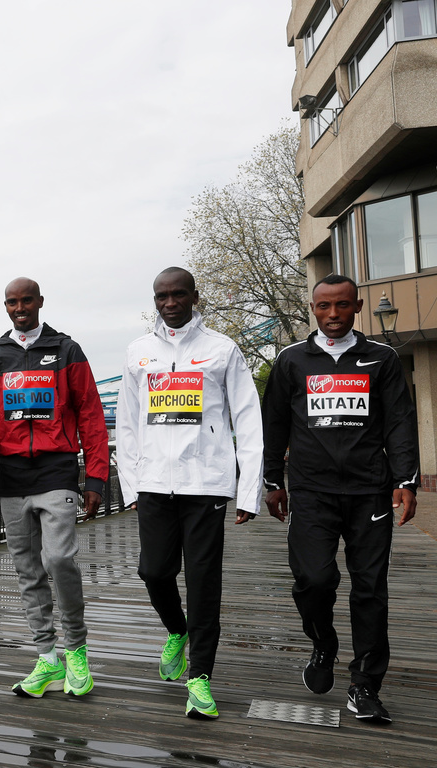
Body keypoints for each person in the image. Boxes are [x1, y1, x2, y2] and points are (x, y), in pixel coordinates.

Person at [262, 274, 418, 724]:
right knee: (313, 580)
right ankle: (323, 642)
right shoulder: (292, 360)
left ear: (357, 306)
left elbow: (399, 422)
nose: (333, 314)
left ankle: (364, 685)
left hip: (370, 492)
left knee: (370, 589)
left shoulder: (382, 358)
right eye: (324, 306)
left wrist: (406, 480)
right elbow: (274, 424)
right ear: (312, 308)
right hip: (311, 491)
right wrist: (272, 481)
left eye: (343, 305)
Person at [114, 266, 263, 720]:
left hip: (206, 484)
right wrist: (131, 485)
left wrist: (248, 491)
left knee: (203, 583)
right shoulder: (139, 352)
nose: (170, 303)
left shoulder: (222, 349)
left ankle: (200, 677)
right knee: (153, 571)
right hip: (154, 484)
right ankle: (177, 630)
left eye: (179, 294)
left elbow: (248, 418)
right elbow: (127, 423)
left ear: (195, 297)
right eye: (162, 296)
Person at [0, 277, 108, 699]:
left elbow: (90, 414)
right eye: (12, 302)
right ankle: (47, 657)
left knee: (60, 559)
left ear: (40, 302)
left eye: (26, 300)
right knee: (28, 571)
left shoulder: (66, 351)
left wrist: (96, 476)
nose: (20, 308)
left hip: (56, 471)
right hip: (11, 476)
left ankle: (76, 648)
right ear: (6, 307)